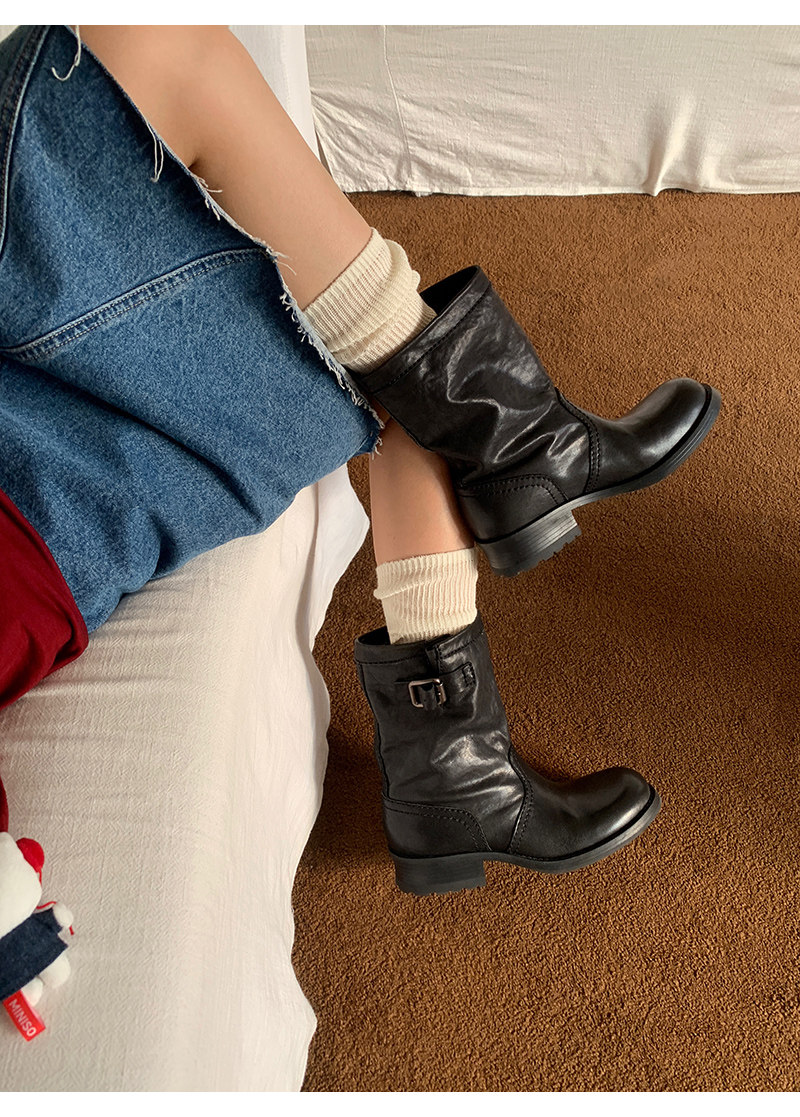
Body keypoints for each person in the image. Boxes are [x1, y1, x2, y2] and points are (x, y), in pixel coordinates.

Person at [0, 25, 720, 895]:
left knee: (167, 61)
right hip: (54, 489)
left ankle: (456, 768)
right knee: (167, 52)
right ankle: (522, 453)